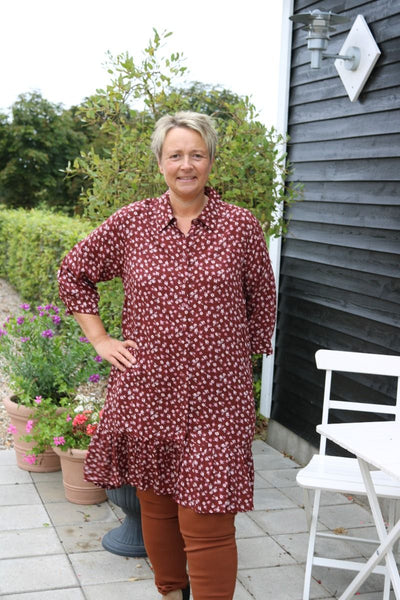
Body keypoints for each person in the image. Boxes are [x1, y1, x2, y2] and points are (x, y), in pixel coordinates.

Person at [58, 111, 276, 600]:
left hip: (218, 402)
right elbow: (73, 272)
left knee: (208, 519)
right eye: (175, 154)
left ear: (211, 160)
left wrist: (229, 361)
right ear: (160, 162)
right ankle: (171, 592)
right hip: (147, 394)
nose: (186, 164)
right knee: (156, 508)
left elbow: (263, 300)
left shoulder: (240, 227)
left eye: (197, 154)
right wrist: (100, 339)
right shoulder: (132, 223)